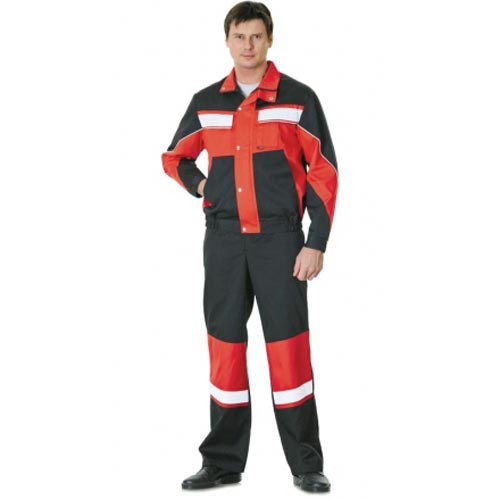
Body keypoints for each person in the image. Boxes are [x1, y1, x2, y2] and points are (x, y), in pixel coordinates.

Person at [161, 1, 339, 493]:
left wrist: (316, 242)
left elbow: (324, 171)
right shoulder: (206, 102)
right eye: (239, 36)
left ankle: (306, 463)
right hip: (223, 242)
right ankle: (222, 462)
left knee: (289, 352)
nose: (248, 45)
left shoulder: (298, 99)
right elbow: (175, 157)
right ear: (227, 40)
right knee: (225, 351)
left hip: (281, 242)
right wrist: (202, 186)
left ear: (270, 39)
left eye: (256, 36)